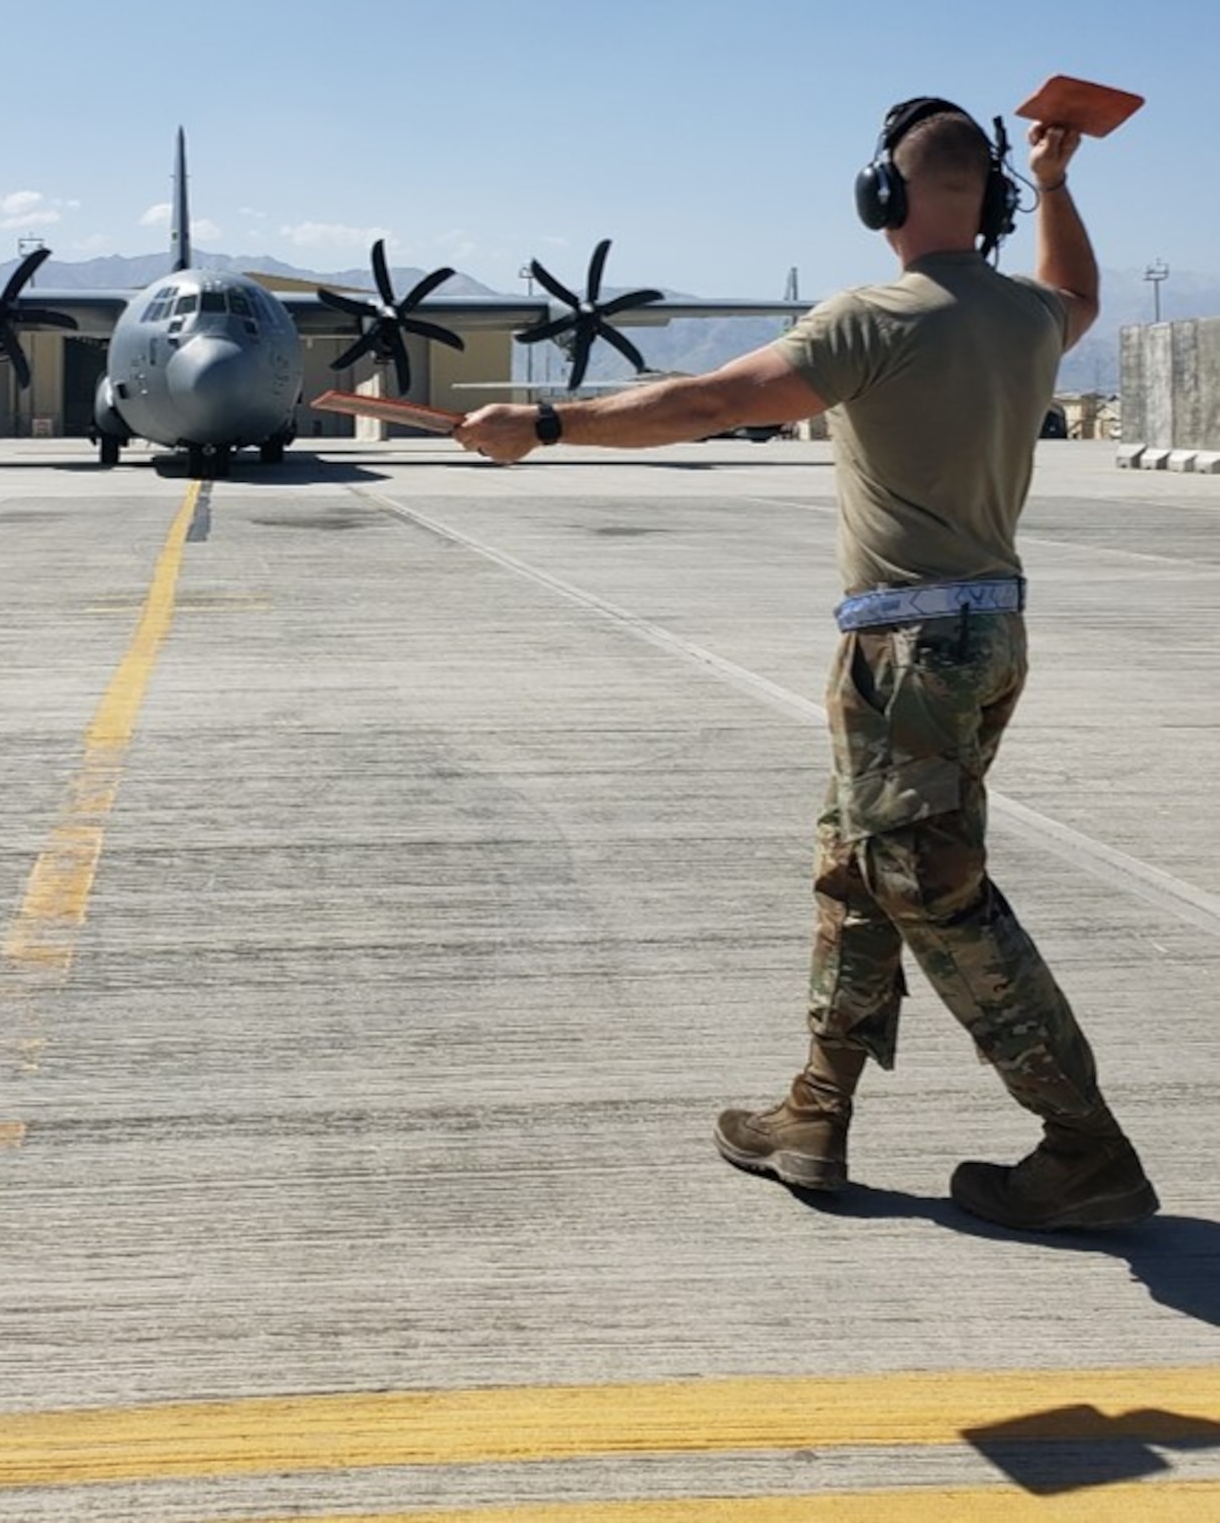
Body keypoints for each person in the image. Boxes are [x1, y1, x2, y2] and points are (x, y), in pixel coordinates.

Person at [455, 98, 1157, 1232]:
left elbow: (712, 400)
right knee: (855, 868)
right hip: (985, 635)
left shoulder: (872, 317)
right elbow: (1075, 290)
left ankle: (1083, 1145)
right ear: (990, 202)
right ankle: (813, 1115)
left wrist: (543, 422)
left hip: (906, 645)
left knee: (930, 889)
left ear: (882, 193)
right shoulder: (1026, 315)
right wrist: (1058, 180)